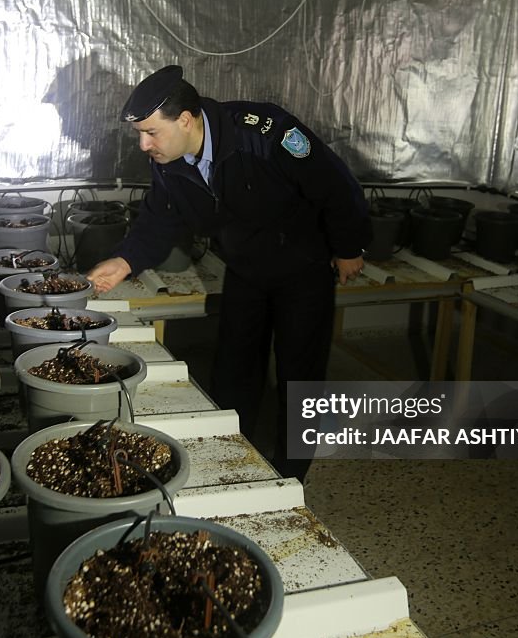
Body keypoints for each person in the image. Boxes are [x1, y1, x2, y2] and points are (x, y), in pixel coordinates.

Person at [88, 65, 371, 482]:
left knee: (299, 372)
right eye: (140, 135)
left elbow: (335, 184)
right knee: (234, 366)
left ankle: (291, 475)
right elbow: (161, 216)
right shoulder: (168, 158)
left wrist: (348, 248)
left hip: (302, 265)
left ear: (185, 119)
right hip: (244, 266)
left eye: (151, 132)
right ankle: (233, 458)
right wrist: (126, 260)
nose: (144, 144)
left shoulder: (264, 132)